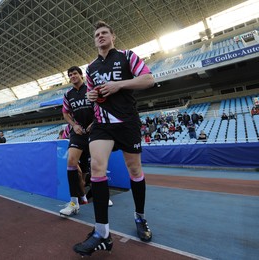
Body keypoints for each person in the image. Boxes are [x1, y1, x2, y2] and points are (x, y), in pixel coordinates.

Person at [73, 21, 154, 257]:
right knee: (97, 167)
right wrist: (91, 95)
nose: (100, 37)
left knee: (135, 170)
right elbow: (93, 95)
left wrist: (119, 85)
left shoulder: (127, 56)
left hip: (127, 122)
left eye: (104, 33)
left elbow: (149, 80)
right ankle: (102, 233)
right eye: (97, 34)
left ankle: (140, 217)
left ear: (113, 37)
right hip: (102, 124)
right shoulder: (91, 68)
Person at [59, 66, 94, 216]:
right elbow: (65, 113)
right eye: (70, 74)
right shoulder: (68, 94)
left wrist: (95, 123)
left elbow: (101, 105)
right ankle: (74, 202)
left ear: (81, 75)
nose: (73, 76)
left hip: (96, 129)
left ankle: (101, 197)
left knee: (99, 165)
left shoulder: (91, 88)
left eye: (75, 73)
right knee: (71, 162)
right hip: (78, 132)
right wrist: (74, 125)